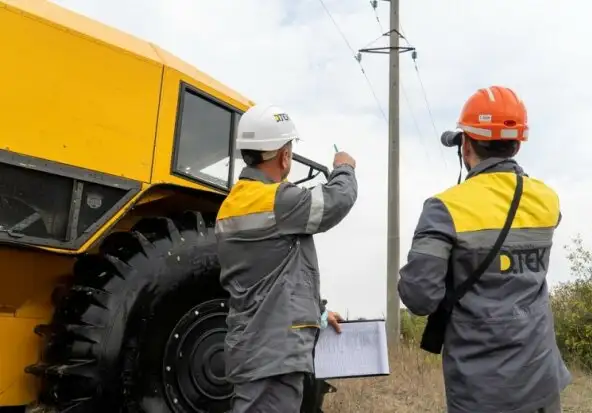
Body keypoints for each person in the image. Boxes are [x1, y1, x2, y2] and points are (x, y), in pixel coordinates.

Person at [398, 86, 571, 413]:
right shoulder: (547, 199)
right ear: (517, 144)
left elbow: (419, 298)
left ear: (465, 146)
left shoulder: (444, 209)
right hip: (542, 381)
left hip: (481, 390)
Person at [215, 103, 358, 412]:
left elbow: (268, 285)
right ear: (284, 156)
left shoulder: (231, 204)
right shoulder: (277, 201)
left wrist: (318, 316)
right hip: (273, 357)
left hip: (253, 349)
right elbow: (336, 200)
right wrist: (344, 168)